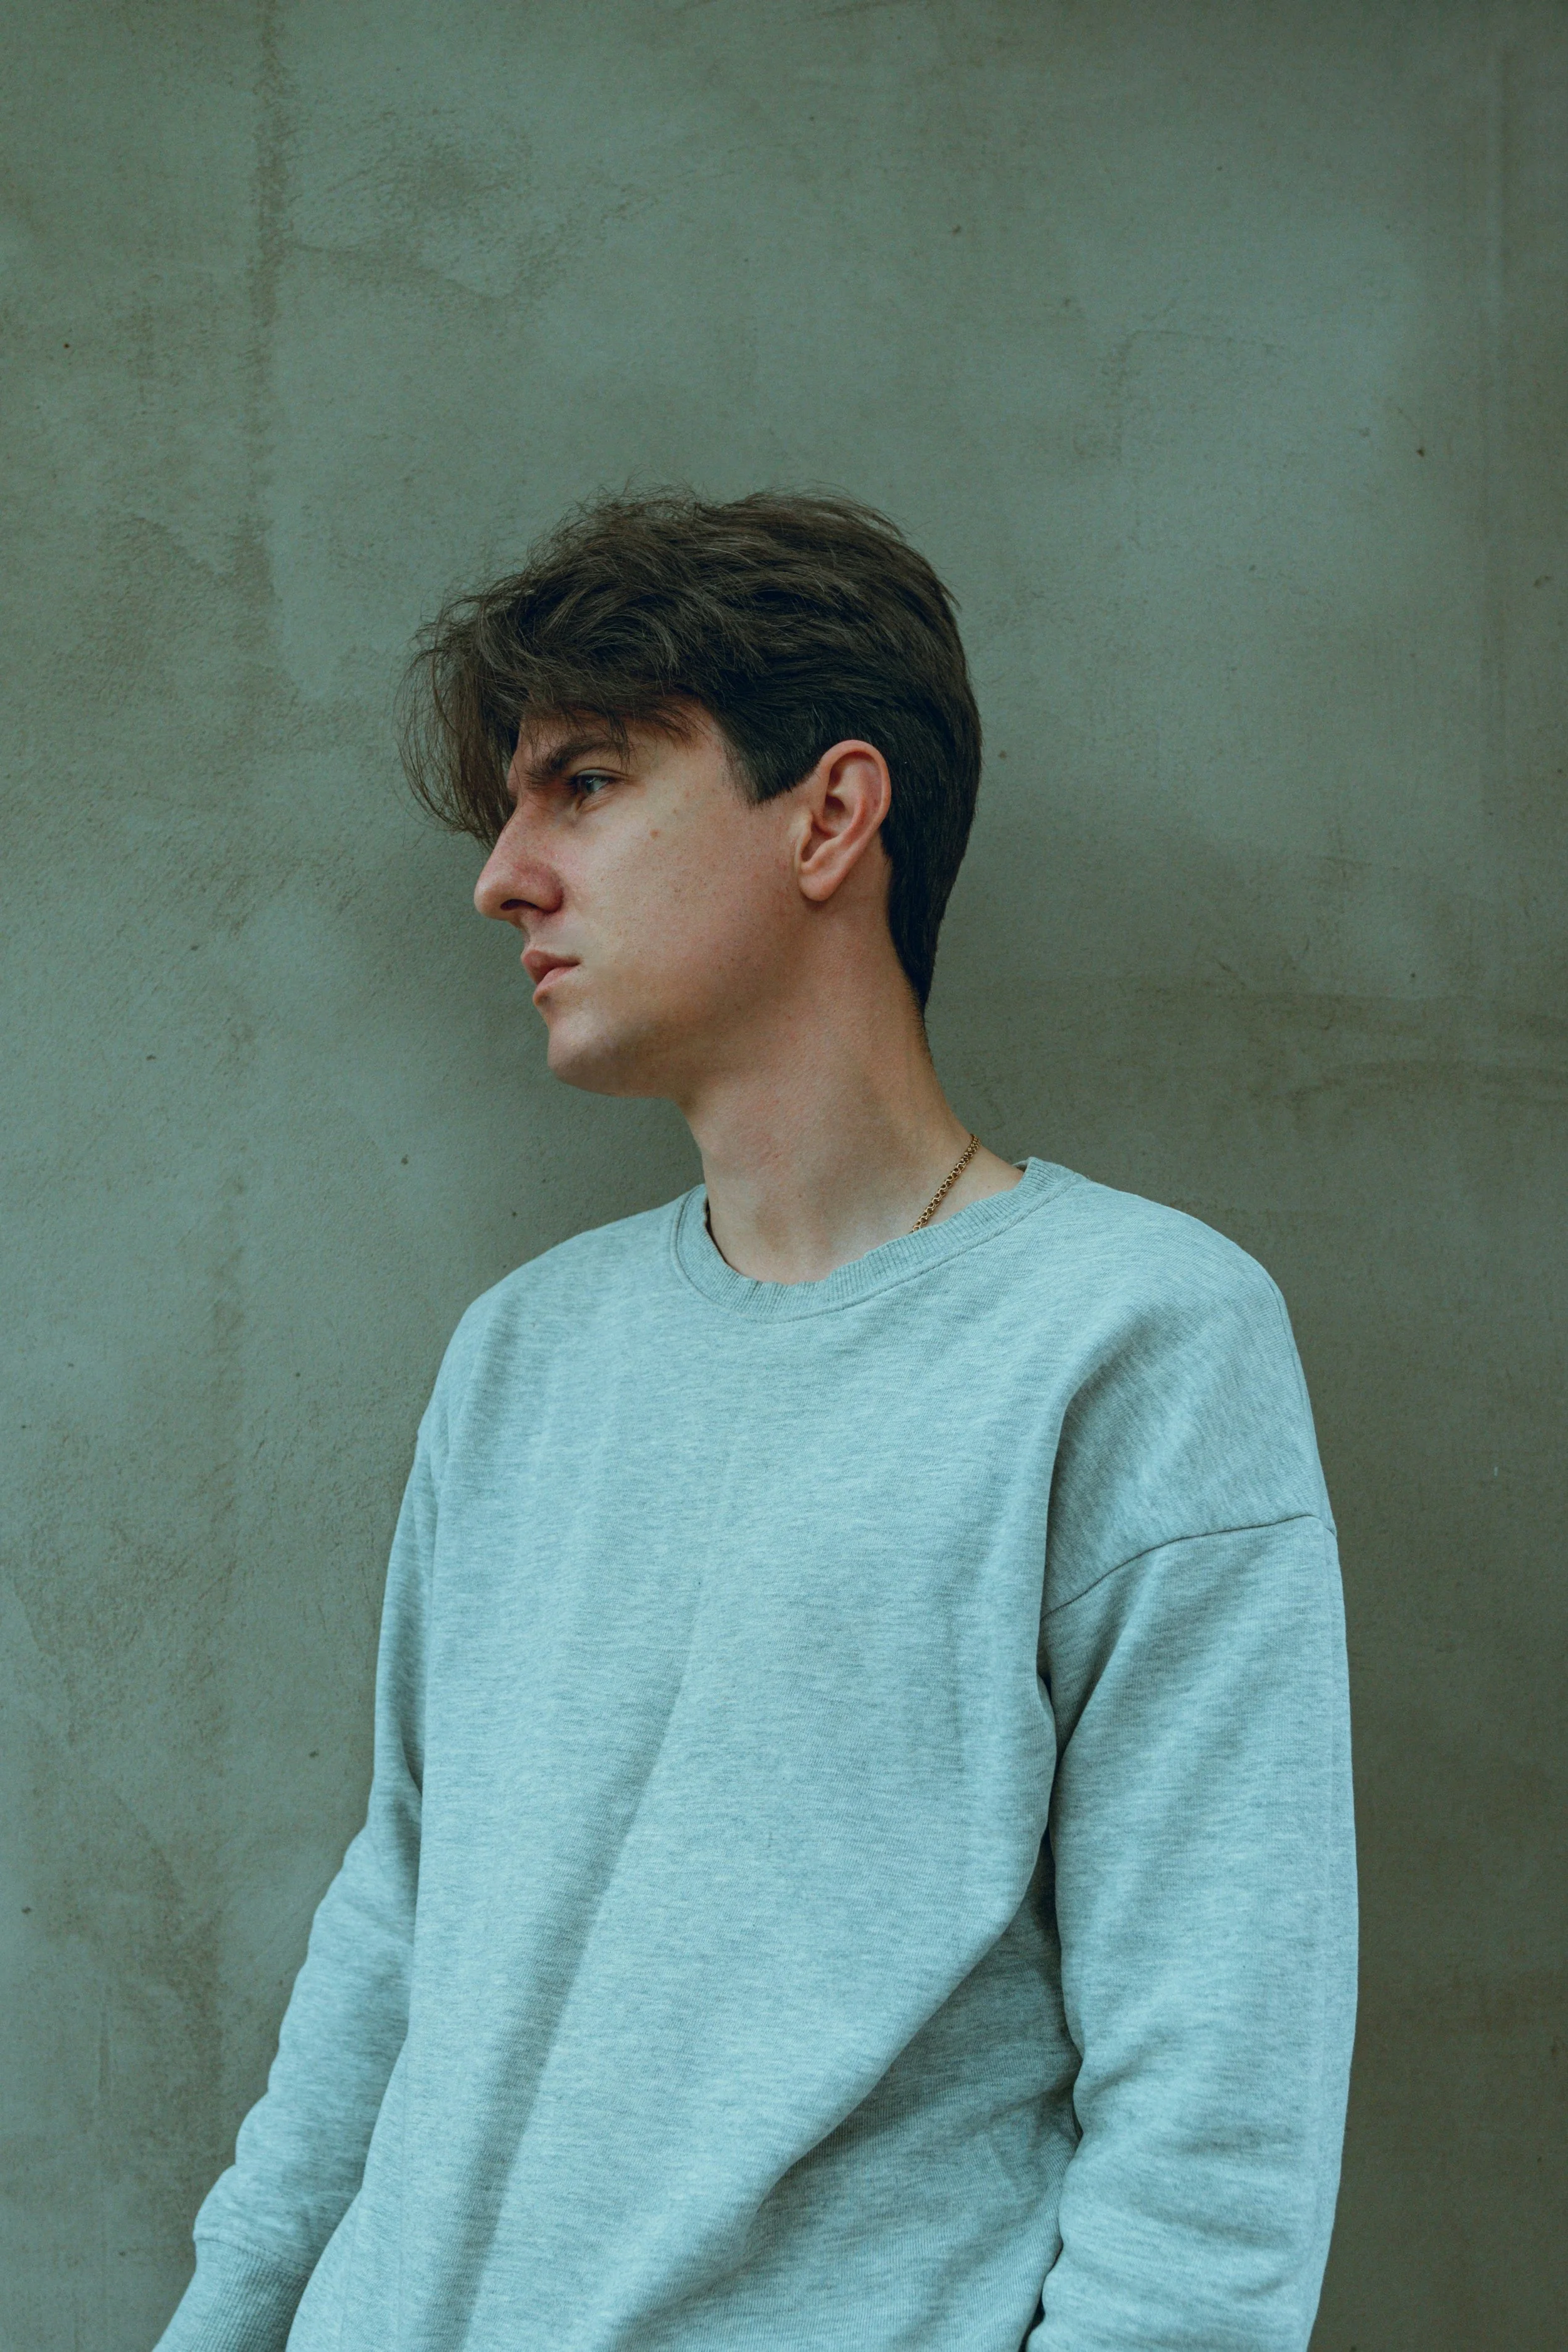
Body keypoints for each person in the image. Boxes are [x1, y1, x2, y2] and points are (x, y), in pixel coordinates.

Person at [152, 490, 1356, 2352]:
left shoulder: (1130, 1340)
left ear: (830, 811)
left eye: (586, 783)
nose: (505, 873)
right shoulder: (521, 1356)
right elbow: (399, 1917)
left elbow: (1215, 2124)